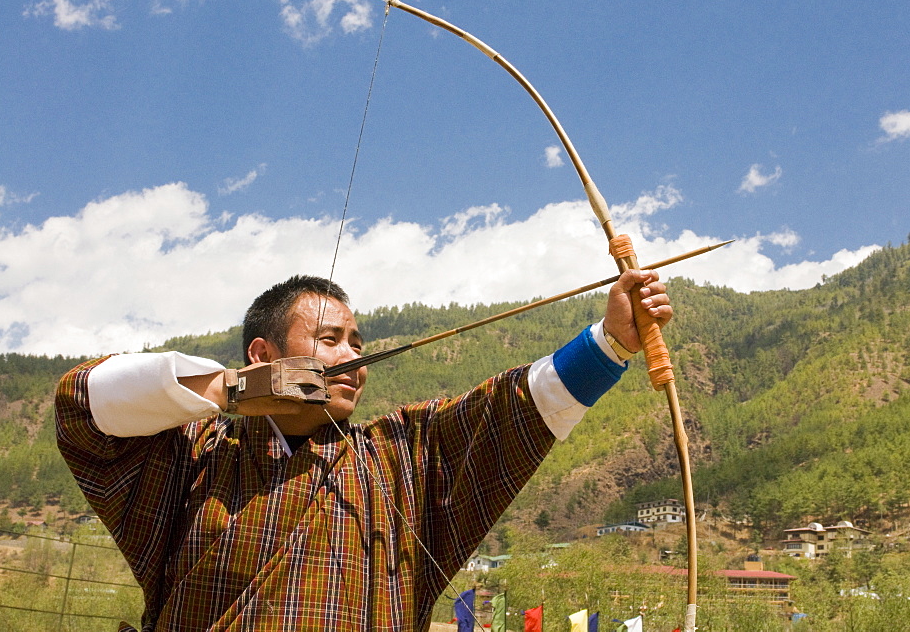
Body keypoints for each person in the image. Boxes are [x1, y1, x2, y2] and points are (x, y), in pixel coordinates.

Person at [56, 271, 672, 632]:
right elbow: (81, 406)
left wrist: (613, 340)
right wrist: (236, 391)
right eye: (329, 340)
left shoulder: (399, 459)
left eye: (357, 341)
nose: (353, 357)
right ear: (264, 355)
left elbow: (516, 409)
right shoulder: (193, 455)